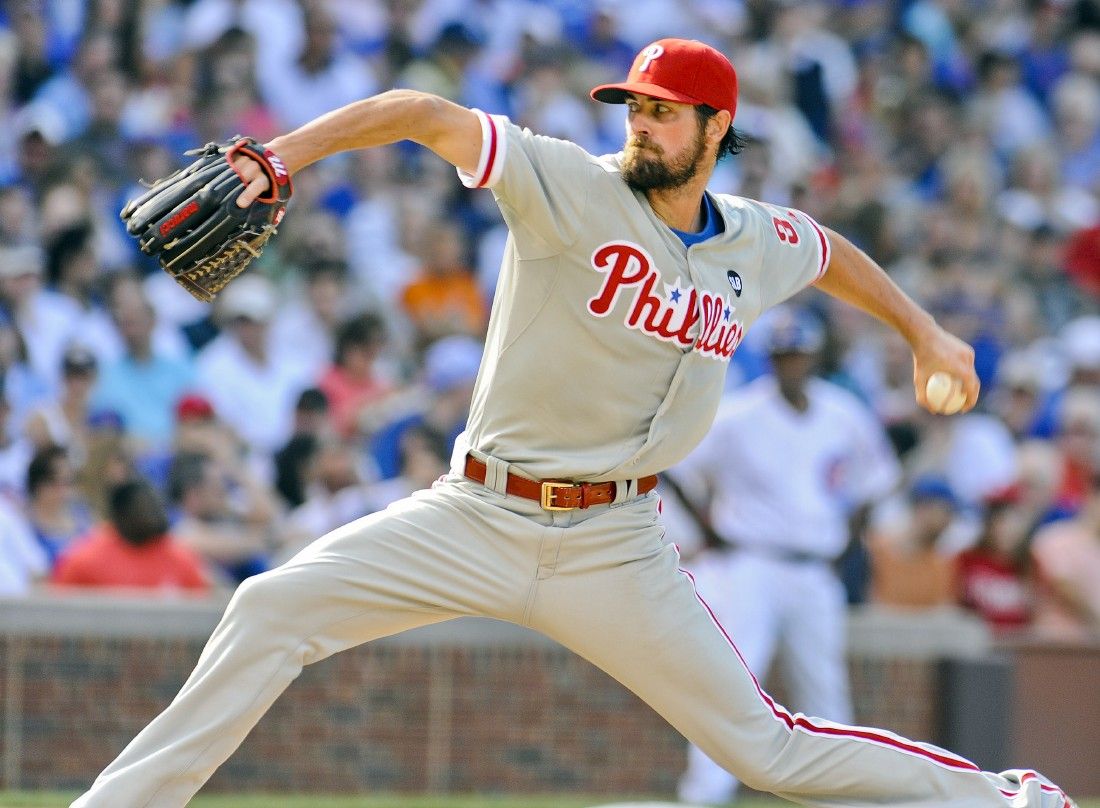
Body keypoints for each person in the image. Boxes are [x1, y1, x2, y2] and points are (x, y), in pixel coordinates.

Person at [73, 38, 1074, 808]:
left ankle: (1003, 796)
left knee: (763, 748)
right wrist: (277, 159)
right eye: (632, 106)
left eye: (662, 113)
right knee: (269, 610)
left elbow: (824, 250)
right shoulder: (569, 183)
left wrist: (924, 332)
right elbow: (421, 111)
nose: (639, 124)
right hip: (473, 513)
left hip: (614, 541)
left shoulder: (754, 241)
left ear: (714, 127)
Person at [671, 307, 902, 806]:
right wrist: (710, 527)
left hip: (816, 567)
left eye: (797, 354)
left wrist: (847, 540)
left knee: (825, 688)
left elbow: (875, 481)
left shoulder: (843, 413)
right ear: (769, 360)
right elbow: (680, 469)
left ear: (814, 355)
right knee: (733, 680)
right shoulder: (738, 414)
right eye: (781, 356)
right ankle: (704, 794)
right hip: (751, 563)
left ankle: (840, 796)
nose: (790, 363)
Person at [51, 478, 209, 594]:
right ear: (121, 515)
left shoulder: (181, 558)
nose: (152, 514)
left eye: (153, 506)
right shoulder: (84, 560)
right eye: (143, 508)